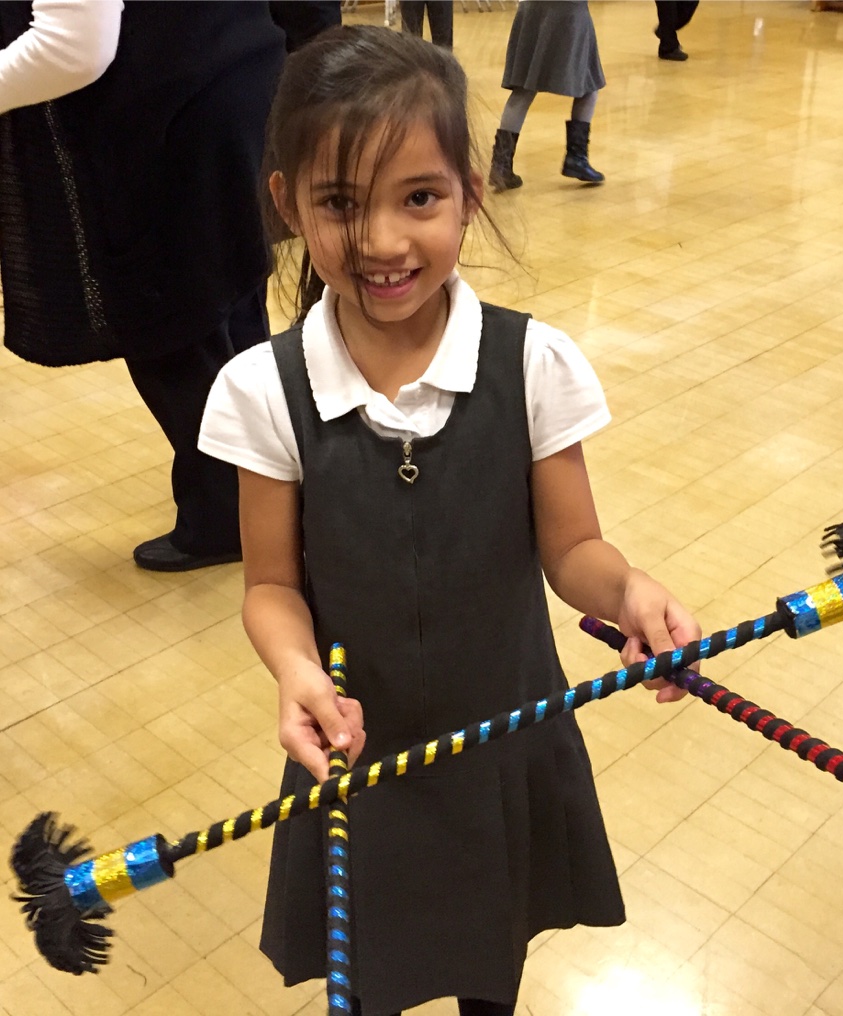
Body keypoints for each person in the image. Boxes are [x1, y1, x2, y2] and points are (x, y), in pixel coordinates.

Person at [199, 26, 699, 1016]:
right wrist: (298, 672)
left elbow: (572, 549)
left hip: (504, 739)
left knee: (489, 955)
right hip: (358, 750)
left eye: (418, 198)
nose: (383, 242)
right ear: (286, 202)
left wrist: (629, 588)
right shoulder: (262, 388)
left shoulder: (535, 363)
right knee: (369, 968)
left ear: (467, 192)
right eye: (341, 204)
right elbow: (270, 586)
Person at [0, 1, 333, 572]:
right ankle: (269, 481)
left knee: (170, 326)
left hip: (168, 112)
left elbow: (73, 48)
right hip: (235, 75)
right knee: (228, 303)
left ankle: (225, 518)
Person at [489, 0, 605, 193]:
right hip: (569, 12)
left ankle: (501, 166)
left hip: (532, 9)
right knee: (590, 83)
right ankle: (576, 158)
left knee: (524, 88)